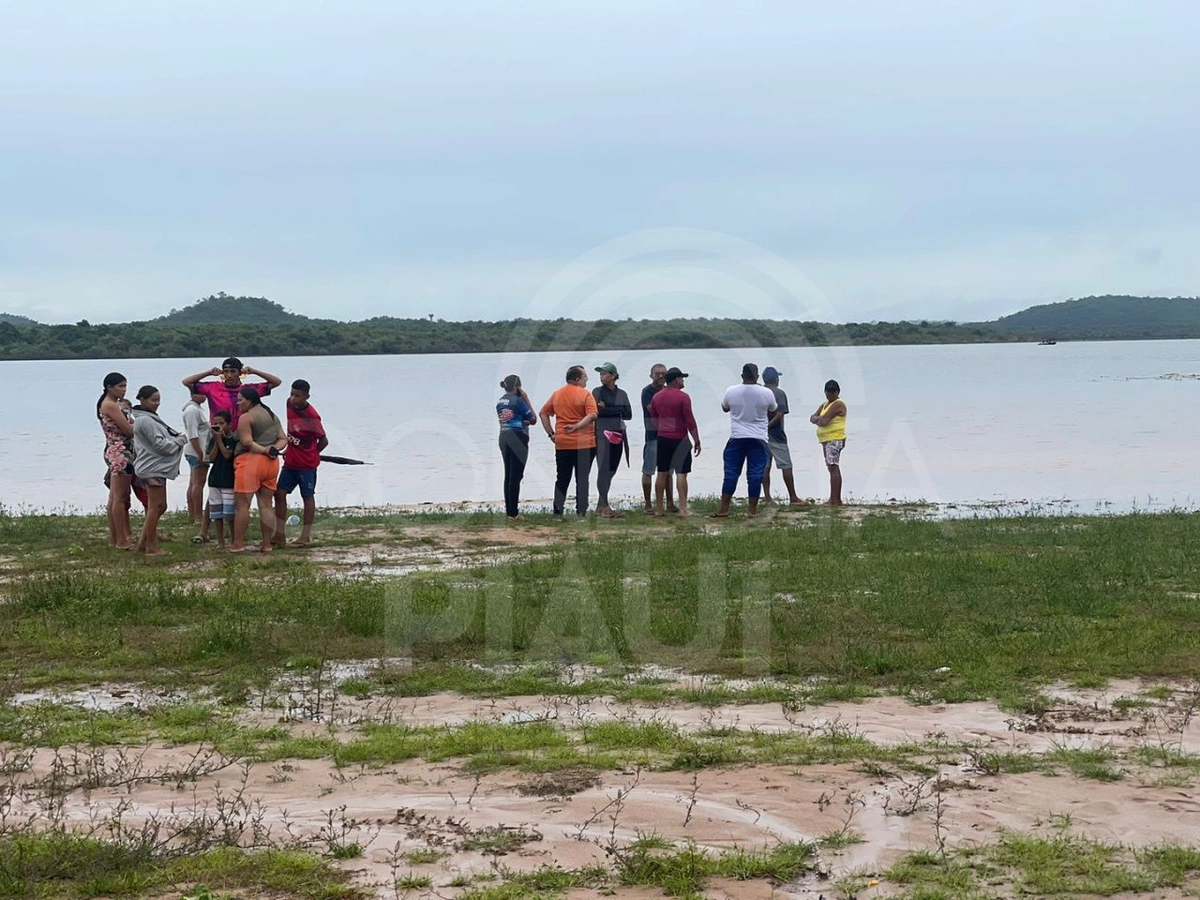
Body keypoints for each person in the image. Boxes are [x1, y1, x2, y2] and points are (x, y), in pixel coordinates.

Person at [711, 363, 776, 518]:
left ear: (742, 376)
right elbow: (773, 409)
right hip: (758, 438)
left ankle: (724, 509)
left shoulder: (731, 391)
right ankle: (752, 511)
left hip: (737, 437)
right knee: (755, 475)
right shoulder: (766, 393)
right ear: (757, 376)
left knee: (731, 473)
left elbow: (725, 408)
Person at [130, 385, 188, 556]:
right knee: (156, 507)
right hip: (151, 468)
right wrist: (180, 441)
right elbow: (161, 445)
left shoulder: (148, 419)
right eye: (154, 400)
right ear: (142, 400)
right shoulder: (146, 420)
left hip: (153, 468)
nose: (157, 403)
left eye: (159, 400)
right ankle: (151, 548)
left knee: (159, 506)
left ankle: (142, 544)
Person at [231, 387, 289, 553]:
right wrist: (273, 449)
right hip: (271, 464)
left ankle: (238, 544)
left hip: (250, 462)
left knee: (242, 505)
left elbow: (247, 442)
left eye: (240, 400)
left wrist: (263, 449)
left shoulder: (246, 417)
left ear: (250, 401)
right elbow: (283, 439)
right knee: (266, 505)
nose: (238, 403)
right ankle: (266, 544)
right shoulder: (271, 415)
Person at [273, 379, 329, 546]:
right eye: (291, 394)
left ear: (306, 396)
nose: (293, 398)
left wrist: (312, 454)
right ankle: (279, 534)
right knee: (279, 493)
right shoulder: (289, 404)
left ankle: (305, 536)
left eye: (297, 396)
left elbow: (324, 441)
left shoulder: (312, 417)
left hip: (307, 465)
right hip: (290, 462)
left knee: (307, 496)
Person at [538, 365, 598, 517]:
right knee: (582, 479)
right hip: (584, 443)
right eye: (585, 378)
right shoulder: (586, 394)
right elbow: (592, 415)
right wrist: (577, 426)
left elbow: (543, 413)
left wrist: (551, 434)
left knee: (562, 478)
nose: (587, 381)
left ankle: (558, 511)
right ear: (577, 379)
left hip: (563, 443)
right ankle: (581, 513)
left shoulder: (557, 394)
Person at [648, 367, 701, 517]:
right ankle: (683, 508)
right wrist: (696, 439)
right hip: (680, 439)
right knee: (681, 474)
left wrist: (661, 430)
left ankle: (659, 509)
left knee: (662, 473)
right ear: (676, 379)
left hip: (663, 438)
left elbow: (653, 417)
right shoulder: (683, 397)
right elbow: (689, 420)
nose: (683, 381)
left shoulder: (657, 397)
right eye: (682, 378)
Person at [181, 357, 281, 430]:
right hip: (219, 434)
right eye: (226, 372)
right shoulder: (213, 387)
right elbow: (186, 382)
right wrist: (209, 372)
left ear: (239, 373)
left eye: (233, 371)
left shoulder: (249, 390)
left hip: (243, 433)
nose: (229, 375)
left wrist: (255, 371)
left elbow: (276, 382)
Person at [97, 372, 136, 550]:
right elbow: (128, 430)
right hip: (120, 451)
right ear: (109, 387)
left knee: (115, 496)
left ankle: (116, 538)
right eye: (120, 386)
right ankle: (121, 539)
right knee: (119, 497)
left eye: (125, 386)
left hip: (115, 450)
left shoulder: (110, 404)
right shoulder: (111, 405)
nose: (124, 390)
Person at [760, 366, 807, 506]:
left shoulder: (760, 392)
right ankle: (793, 497)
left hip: (761, 437)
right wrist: (768, 426)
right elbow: (780, 414)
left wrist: (762, 429)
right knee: (786, 466)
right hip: (776, 436)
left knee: (765, 467)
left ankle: (767, 497)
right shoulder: (779, 393)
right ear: (775, 379)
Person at [592, 362, 632, 519]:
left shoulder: (622, 393)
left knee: (612, 469)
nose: (601, 376)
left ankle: (600, 505)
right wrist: (617, 410)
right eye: (600, 373)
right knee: (603, 469)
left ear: (613, 376)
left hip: (618, 434)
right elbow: (597, 411)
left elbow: (628, 414)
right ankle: (604, 505)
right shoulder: (597, 392)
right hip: (602, 435)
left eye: (605, 373)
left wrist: (608, 408)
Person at [496, 374, 537, 520]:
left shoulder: (500, 401)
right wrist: (525, 398)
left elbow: (503, 420)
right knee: (516, 475)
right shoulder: (518, 401)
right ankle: (513, 513)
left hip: (504, 437)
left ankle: (509, 511)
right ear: (517, 386)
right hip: (518, 438)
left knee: (508, 475)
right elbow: (533, 419)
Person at [639, 363, 676, 514]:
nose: (660, 376)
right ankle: (648, 503)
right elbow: (652, 409)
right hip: (653, 435)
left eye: (663, 373)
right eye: (657, 373)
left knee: (668, 471)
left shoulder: (669, 391)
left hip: (669, 435)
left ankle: (670, 503)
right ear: (651, 376)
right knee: (648, 470)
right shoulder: (648, 391)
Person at [810, 379, 848, 506]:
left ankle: (834, 499)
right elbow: (812, 417)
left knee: (833, 467)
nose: (830, 395)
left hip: (835, 439)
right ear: (825, 392)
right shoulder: (824, 405)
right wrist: (818, 419)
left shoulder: (839, 404)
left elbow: (824, 421)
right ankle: (834, 499)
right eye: (828, 392)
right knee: (831, 467)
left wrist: (819, 419)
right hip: (826, 440)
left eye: (833, 392)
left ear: (837, 392)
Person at [205, 411, 237, 549]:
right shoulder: (213, 440)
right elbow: (210, 458)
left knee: (229, 513)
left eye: (221, 424)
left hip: (228, 480)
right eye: (215, 423)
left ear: (229, 424)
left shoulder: (232, 439)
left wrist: (220, 440)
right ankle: (220, 540)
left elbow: (227, 455)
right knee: (216, 512)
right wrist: (216, 441)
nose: (218, 426)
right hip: (214, 479)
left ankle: (234, 539)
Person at [181, 390, 211, 526]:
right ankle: (198, 515)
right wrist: (201, 454)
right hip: (196, 450)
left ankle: (193, 513)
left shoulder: (197, 408)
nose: (204, 396)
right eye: (200, 394)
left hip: (196, 449)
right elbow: (193, 435)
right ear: (192, 394)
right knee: (198, 484)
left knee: (193, 482)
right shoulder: (192, 410)